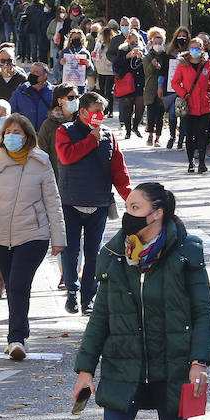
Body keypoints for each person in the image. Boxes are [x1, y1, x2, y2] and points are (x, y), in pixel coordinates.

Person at [69, 183, 210, 420]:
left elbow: (203, 312)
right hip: (123, 362)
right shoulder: (115, 253)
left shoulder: (186, 252)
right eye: (127, 204)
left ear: (157, 212)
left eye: (136, 206)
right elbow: (101, 314)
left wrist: (200, 362)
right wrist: (85, 368)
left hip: (172, 363)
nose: (128, 211)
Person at [0, 113, 66, 359]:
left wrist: (59, 237)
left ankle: (16, 338)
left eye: (17, 132)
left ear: (27, 136)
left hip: (33, 234)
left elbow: (52, 200)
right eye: (8, 132)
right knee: (12, 285)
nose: (11, 137)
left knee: (17, 284)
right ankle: (18, 332)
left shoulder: (41, 161)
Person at [55, 92, 133, 315]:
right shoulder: (65, 131)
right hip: (70, 202)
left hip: (98, 202)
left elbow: (119, 169)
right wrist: (91, 139)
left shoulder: (108, 135)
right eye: (96, 111)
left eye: (103, 111)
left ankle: (89, 297)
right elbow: (67, 156)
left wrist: (130, 197)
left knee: (94, 254)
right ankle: (72, 291)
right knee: (70, 252)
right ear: (82, 112)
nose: (100, 115)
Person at [170, 35, 210, 173]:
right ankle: (191, 162)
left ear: (202, 49)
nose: (195, 50)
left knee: (203, 134)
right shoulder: (183, 64)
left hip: (204, 105)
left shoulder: (208, 64)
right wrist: (184, 93)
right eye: (193, 48)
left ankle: (202, 163)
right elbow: (175, 82)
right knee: (190, 135)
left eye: (198, 48)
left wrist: (209, 91)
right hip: (189, 105)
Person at [37, 82, 79, 181]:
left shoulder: (81, 122)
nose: (75, 101)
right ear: (60, 101)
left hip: (79, 177)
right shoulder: (49, 124)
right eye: (70, 98)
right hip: (57, 178)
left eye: (77, 97)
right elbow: (42, 153)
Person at [112, 40, 146, 139]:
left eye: (136, 42)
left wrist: (142, 58)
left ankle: (135, 127)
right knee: (127, 107)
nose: (134, 44)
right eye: (132, 42)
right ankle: (128, 130)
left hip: (139, 82)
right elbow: (116, 64)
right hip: (126, 83)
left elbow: (147, 66)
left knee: (140, 107)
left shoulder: (143, 51)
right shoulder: (122, 51)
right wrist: (127, 56)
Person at [10, 61, 54, 130]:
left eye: (36, 72)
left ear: (45, 76)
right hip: (26, 134)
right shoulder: (20, 92)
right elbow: (12, 114)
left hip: (46, 135)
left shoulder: (53, 93)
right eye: (31, 72)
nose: (31, 75)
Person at [143, 27, 168, 147]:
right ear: (151, 44)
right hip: (150, 90)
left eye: (160, 43)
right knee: (151, 114)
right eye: (155, 43)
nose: (158, 45)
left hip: (163, 90)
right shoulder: (148, 57)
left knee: (160, 115)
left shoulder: (166, 57)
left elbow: (168, 71)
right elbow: (146, 72)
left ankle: (158, 137)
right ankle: (150, 135)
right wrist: (153, 65)